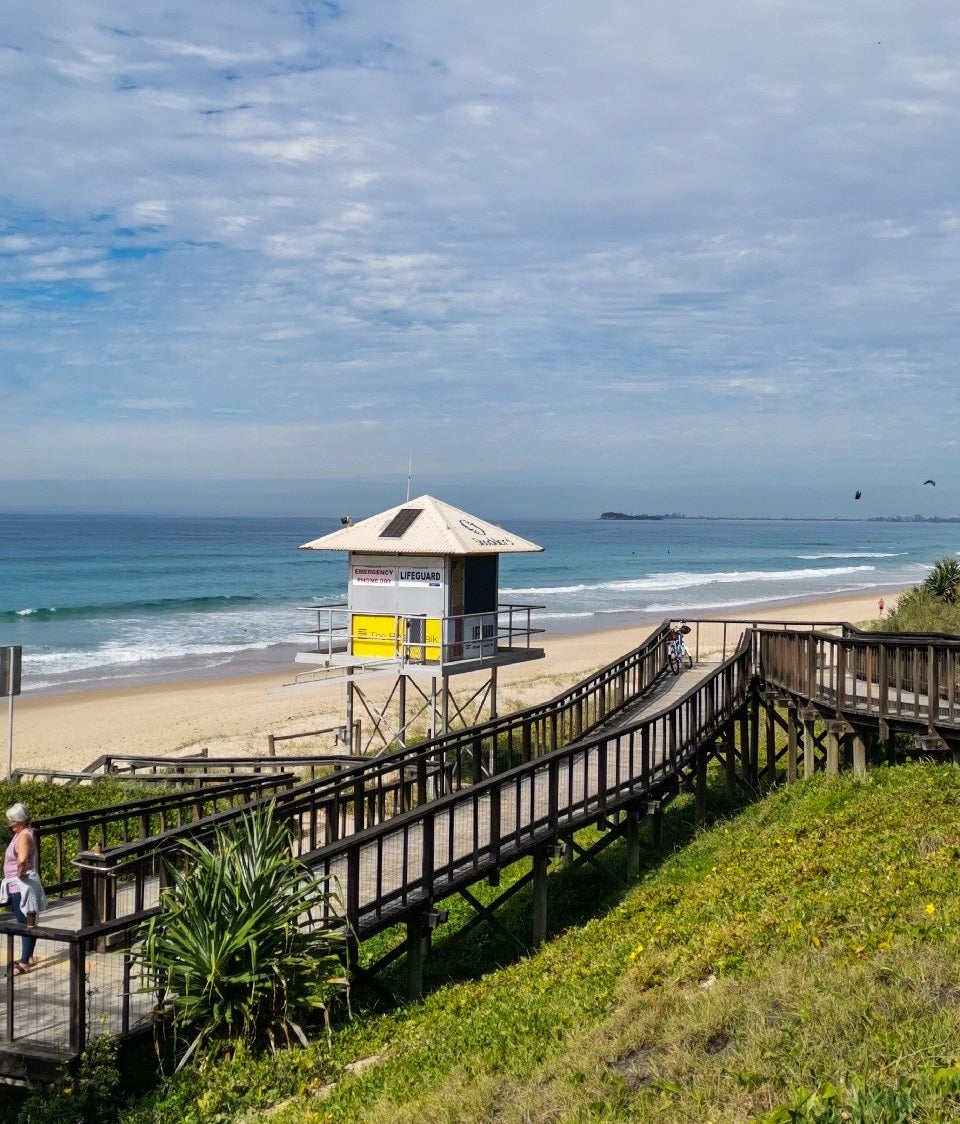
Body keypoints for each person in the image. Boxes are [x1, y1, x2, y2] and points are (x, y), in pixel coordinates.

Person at [1, 803, 46, 975]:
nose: (10, 824)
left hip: (22, 886)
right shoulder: (21, 833)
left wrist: (19, 873)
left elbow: (22, 859)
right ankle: (28, 956)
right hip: (16, 886)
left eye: (12, 821)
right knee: (25, 921)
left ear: (20, 821)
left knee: (26, 924)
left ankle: (24, 961)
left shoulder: (24, 836)